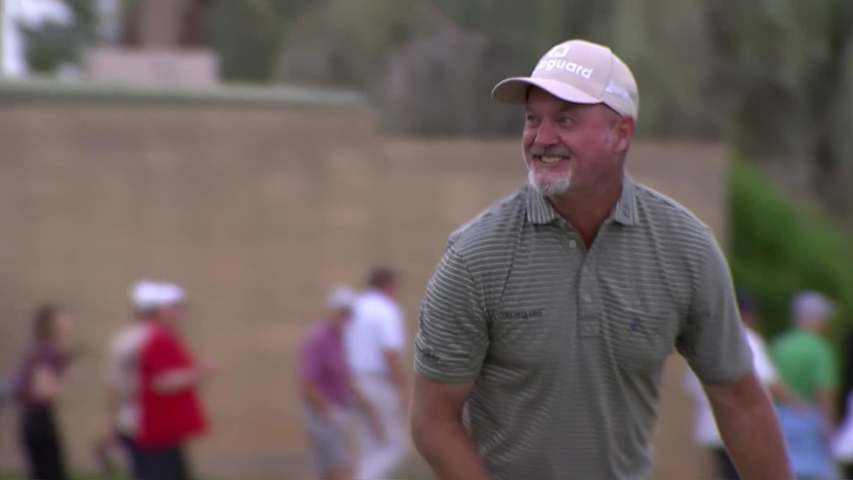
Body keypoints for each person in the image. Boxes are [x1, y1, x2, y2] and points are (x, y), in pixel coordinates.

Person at [410, 38, 791, 480]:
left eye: (565, 120)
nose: (541, 137)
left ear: (621, 134)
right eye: (533, 119)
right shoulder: (475, 257)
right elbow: (433, 420)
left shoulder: (685, 248)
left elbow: (740, 401)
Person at [686, 291, 791, 479]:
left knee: (723, 473)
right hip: (741, 427)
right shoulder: (748, 338)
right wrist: (799, 406)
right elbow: (767, 381)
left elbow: (691, 387)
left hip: (709, 427)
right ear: (746, 314)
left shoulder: (704, 338)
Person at [299, 286, 384, 480]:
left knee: (342, 468)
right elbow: (307, 385)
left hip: (340, 413)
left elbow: (347, 381)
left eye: (349, 314)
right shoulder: (318, 340)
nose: (346, 319)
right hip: (322, 415)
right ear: (333, 312)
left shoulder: (342, 340)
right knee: (336, 471)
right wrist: (329, 411)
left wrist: (370, 412)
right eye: (342, 313)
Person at [136, 282, 211, 480]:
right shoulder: (157, 339)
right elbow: (161, 382)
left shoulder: (163, 337)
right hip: (159, 428)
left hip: (167, 429)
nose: (180, 314)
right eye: (175, 308)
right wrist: (197, 373)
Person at [345, 267, 409, 479]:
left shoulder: (354, 308)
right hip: (378, 384)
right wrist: (401, 389)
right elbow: (390, 353)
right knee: (395, 447)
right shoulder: (386, 310)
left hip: (353, 382)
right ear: (389, 285)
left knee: (368, 448)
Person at [773, 291, 838, 479]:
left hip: (780, 419)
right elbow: (824, 390)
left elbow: (770, 382)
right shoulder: (820, 348)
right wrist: (829, 427)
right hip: (811, 421)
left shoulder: (780, 345)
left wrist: (792, 402)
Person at [104, 280, 163, 479]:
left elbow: (113, 387)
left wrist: (112, 426)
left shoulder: (124, 339)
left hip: (132, 419)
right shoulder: (159, 338)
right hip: (148, 419)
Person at [13, 303, 76, 480]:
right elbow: (43, 390)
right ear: (51, 324)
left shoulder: (40, 350)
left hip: (34, 420)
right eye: (62, 318)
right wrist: (64, 377)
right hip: (39, 420)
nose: (68, 322)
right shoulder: (47, 353)